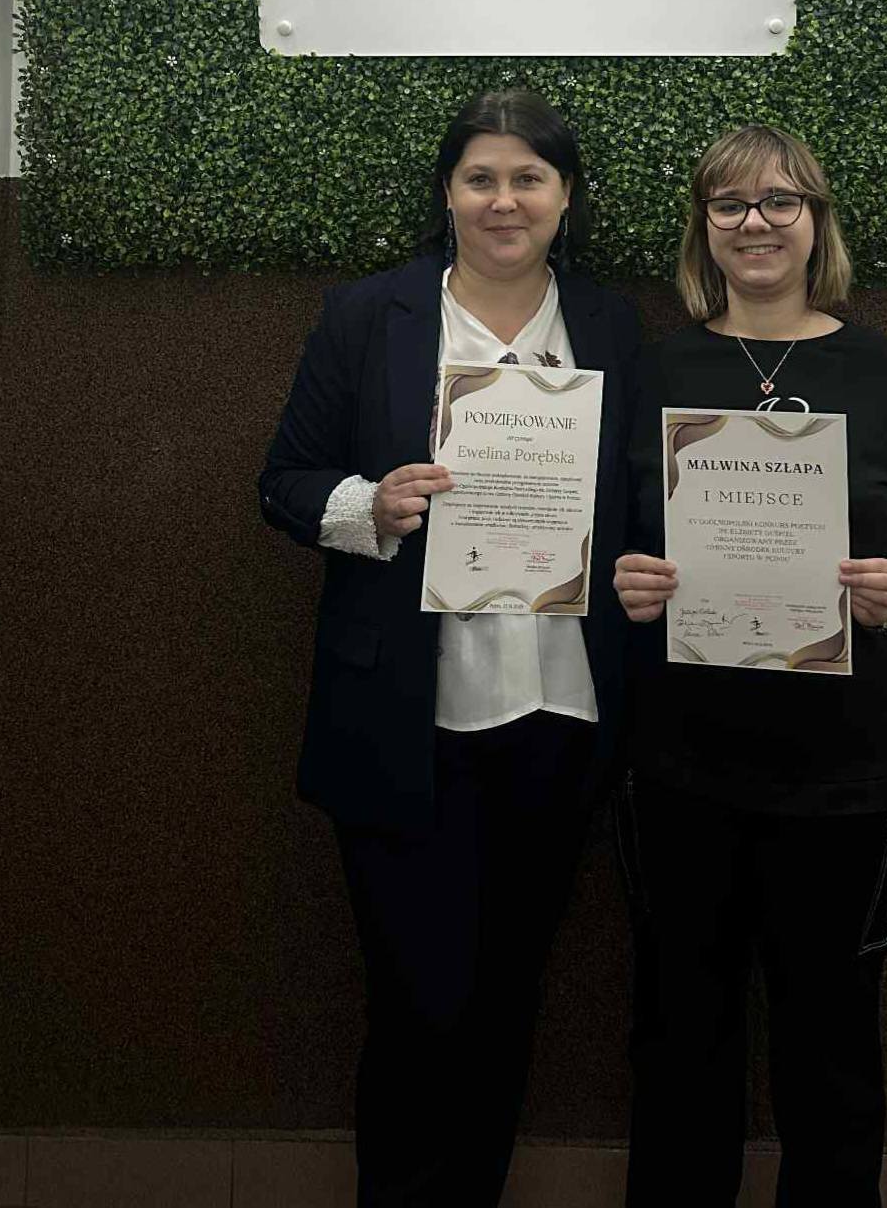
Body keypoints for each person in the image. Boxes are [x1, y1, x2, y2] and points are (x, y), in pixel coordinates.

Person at [258, 90, 638, 1208]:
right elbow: (283, 482)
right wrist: (368, 507)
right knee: (415, 1003)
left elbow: (639, 499)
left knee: (507, 998)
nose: (503, 200)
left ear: (565, 197)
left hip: (560, 715)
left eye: (528, 178)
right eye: (481, 178)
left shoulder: (612, 326)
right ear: (447, 192)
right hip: (405, 723)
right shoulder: (365, 316)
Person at [613, 124, 887, 1208]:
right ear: (704, 229)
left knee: (831, 1046)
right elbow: (606, 538)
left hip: (847, 776)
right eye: (729, 205)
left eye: (780, 201)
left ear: (816, 222)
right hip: (682, 770)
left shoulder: (884, 372)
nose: (755, 223)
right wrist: (626, 581)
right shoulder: (655, 370)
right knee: (680, 1037)